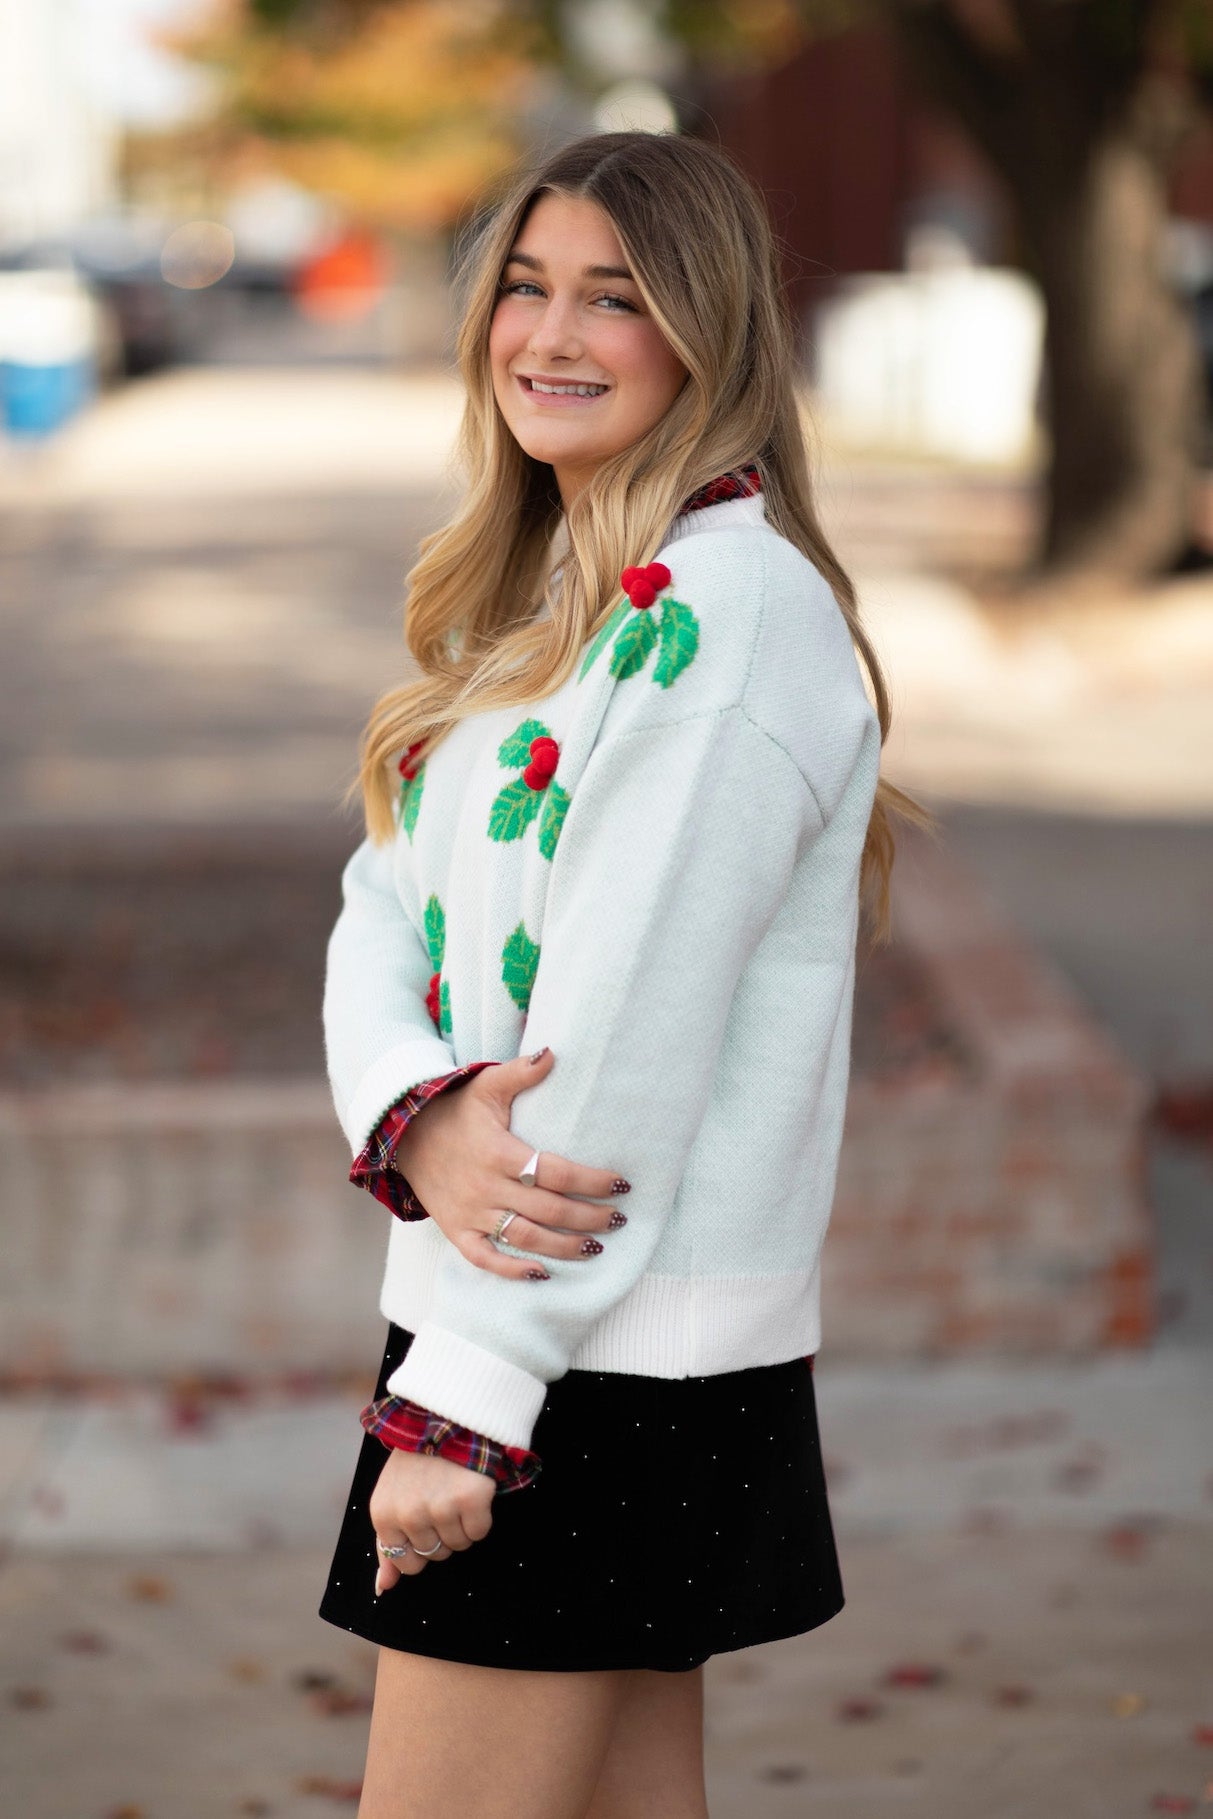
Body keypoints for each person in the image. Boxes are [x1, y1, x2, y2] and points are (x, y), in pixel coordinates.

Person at [318, 128, 933, 1819]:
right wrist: (419, 1116)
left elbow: (625, 1033)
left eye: (617, 297)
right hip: (534, 1315)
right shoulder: (552, 598)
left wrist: (466, 1398)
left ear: (708, 335)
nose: (551, 336)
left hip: (579, 1360)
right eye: (525, 287)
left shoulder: (726, 620)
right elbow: (380, 905)